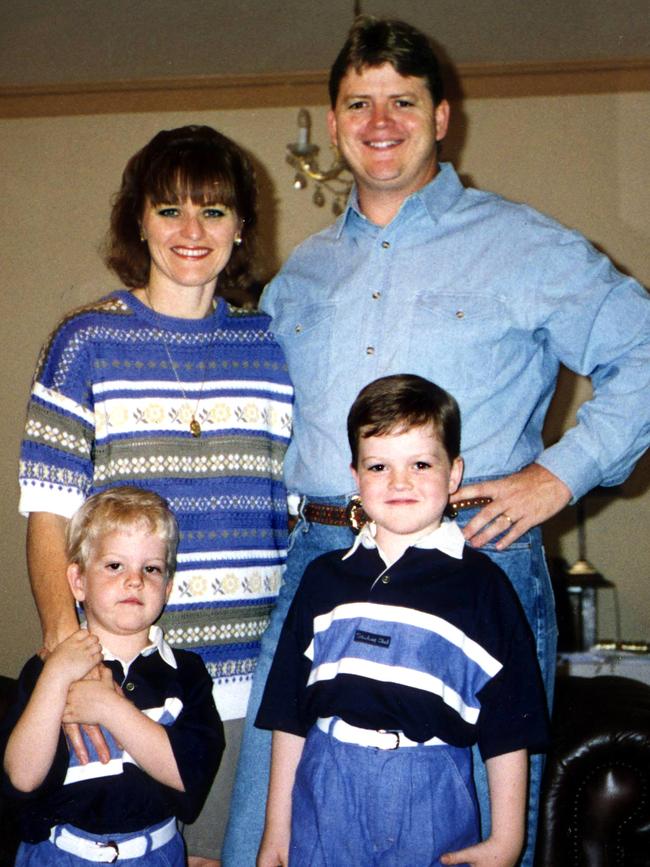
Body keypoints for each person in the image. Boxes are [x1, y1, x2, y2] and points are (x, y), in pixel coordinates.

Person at [223, 16, 650, 867]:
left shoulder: (525, 245)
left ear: (443, 115)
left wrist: (558, 478)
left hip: (477, 562)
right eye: (359, 102)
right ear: (334, 122)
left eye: (403, 101)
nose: (380, 120)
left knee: (469, 845)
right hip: (319, 565)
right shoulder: (297, 275)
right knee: (266, 844)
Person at [18, 125, 293, 865]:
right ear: (138, 221)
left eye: (214, 209)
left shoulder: (272, 346)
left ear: (243, 227)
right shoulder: (85, 343)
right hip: (128, 684)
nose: (192, 231)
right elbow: (49, 520)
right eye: (169, 209)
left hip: (253, 684)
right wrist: (66, 659)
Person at [255, 375, 549, 867]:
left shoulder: (481, 587)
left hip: (430, 790)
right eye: (378, 466)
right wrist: (276, 829)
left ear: (453, 474)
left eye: (420, 463)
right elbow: (289, 713)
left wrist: (507, 840)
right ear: (355, 474)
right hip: (325, 785)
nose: (399, 482)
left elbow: (510, 726)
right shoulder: (324, 579)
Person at [2, 486, 224, 865]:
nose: (134, 580)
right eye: (115, 565)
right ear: (78, 582)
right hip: (60, 855)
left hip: (155, 854)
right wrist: (57, 675)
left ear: (167, 588)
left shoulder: (186, 673)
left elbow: (190, 776)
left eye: (150, 568)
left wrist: (111, 709)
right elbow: (22, 777)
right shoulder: (46, 669)